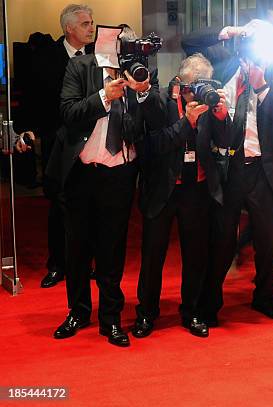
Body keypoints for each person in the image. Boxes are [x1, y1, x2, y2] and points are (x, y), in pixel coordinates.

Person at [53, 26, 158, 347]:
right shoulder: (80, 68)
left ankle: (111, 318)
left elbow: (152, 123)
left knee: (112, 249)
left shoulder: (137, 72)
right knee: (78, 248)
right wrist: (103, 97)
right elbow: (68, 112)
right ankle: (78, 311)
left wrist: (141, 93)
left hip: (120, 175)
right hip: (83, 172)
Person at [197, 20, 273, 324]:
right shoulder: (223, 66)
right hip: (229, 168)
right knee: (222, 239)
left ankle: (265, 298)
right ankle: (209, 304)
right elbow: (190, 43)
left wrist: (262, 85)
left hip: (265, 170)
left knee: (269, 241)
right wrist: (231, 31)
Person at [132, 54, 230, 339]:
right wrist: (187, 121)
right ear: (182, 83)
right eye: (195, 86)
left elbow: (225, 142)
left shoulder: (209, 101)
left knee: (196, 255)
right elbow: (154, 145)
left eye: (205, 84)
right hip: (163, 187)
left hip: (196, 187)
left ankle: (193, 312)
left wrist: (222, 117)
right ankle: (146, 313)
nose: (199, 91)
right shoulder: (158, 101)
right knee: (153, 255)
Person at [32, 4, 95, 288]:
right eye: (85, 24)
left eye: (92, 23)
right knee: (59, 204)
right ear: (69, 28)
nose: (91, 28)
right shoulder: (47, 58)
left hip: (92, 142)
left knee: (90, 205)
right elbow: (42, 100)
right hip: (59, 141)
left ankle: (87, 262)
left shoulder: (98, 56)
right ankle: (58, 264)